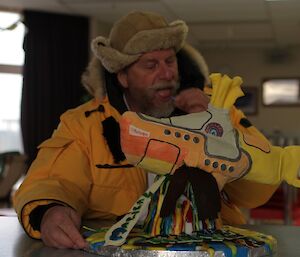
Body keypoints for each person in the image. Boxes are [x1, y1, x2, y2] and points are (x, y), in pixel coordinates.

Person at [13, 11, 278, 249]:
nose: (166, 74)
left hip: (209, 247)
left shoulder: (216, 108)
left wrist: (220, 132)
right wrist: (50, 211)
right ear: (122, 76)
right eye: (150, 65)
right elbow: (53, 181)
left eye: (170, 61)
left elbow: (260, 190)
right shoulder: (84, 124)